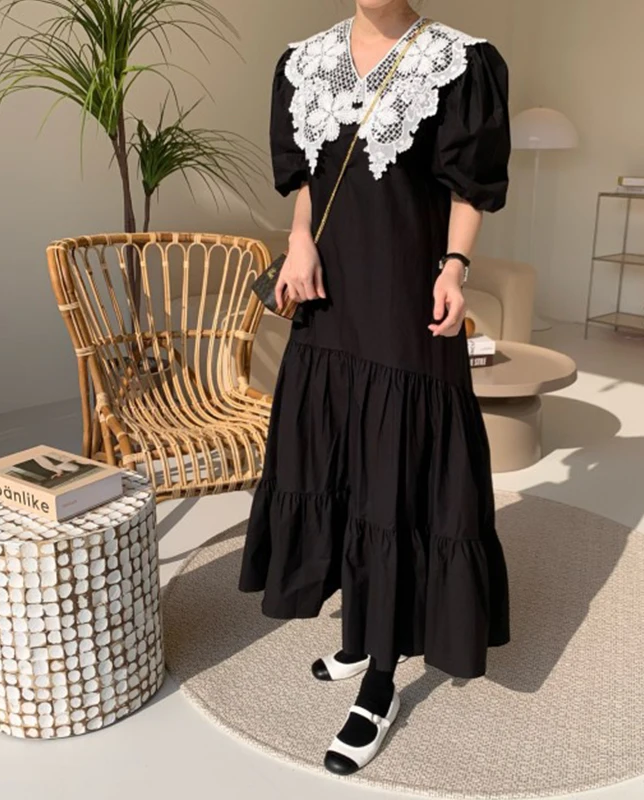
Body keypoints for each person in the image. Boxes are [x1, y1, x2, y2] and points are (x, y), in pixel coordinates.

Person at [240, 0, 511, 775]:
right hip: (329, 300)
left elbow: (468, 188)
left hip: (403, 301)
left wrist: (456, 269)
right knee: (338, 465)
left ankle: (382, 678)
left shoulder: (460, 61)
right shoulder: (304, 61)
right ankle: (359, 633)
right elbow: (309, 179)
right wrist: (297, 242)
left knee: (395, 477)